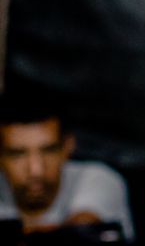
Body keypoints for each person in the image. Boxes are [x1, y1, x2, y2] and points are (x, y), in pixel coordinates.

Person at [0, 102, 133, 241]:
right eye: (17, 154)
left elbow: (80, 234)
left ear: (68, 146)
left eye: (48, 151)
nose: (36, 170)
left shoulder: (98, 179)